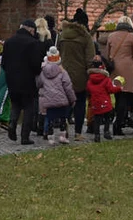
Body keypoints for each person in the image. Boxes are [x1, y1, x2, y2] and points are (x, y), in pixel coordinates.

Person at [1, 19, 44, 145]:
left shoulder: (9, 42)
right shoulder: (33, 43)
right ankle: (25, 136)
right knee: (29, 107)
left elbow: (3, 63)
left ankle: (12, 124)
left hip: (12, 79)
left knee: (16, 104)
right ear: (31, 30)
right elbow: (36, 65)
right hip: (28, 80)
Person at [59, 8, 95, 141]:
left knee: (65, 102)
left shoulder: (63, 34)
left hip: (63, 73)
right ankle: (78, 133)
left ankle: (64, 127)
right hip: (80, 75)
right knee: (79, 103)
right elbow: (90, 59)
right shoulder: (85, 36)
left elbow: (57, 53)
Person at [106, 16, 133, 135]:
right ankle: (119, 124)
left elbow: (107, 54)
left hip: (114, 69)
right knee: (124, 96)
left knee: (117, 95)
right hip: (127, 69)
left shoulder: (111, 36)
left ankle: (116, 118)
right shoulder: (132, 36)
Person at [38, 46, 75, 144]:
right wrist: (72, 99)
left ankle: (50, 137)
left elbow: (39, 84)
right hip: (62, 100)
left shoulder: (43, 72)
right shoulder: (63, 72)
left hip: (48, 100)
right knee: (63, 118)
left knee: (50, 118)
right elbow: (68, 87)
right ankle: (62, 136)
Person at [86, 57, 121, 143]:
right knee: (107, 118)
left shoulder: (90, 80)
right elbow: (110, 89)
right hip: (105, 103)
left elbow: (88, 89)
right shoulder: (106, 79)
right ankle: (106, 132)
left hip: (95, 103)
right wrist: (119, 88)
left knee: (97, 119)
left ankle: (97, 135)